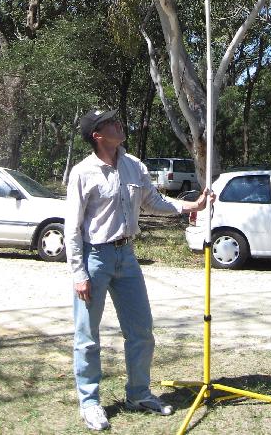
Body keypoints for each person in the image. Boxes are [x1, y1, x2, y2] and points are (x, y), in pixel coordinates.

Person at [64, 108, 213, 431]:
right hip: (95, 258)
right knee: (87, 336)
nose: (120, 125)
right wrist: (79, 273)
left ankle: (138, 394)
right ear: (97, 135)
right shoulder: (83, 172)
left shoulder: (134, 166)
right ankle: (90, 402)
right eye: (111, 124)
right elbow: (72, 228)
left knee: (141, 331)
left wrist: (191, 205)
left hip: (127, 258)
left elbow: (153, 202)